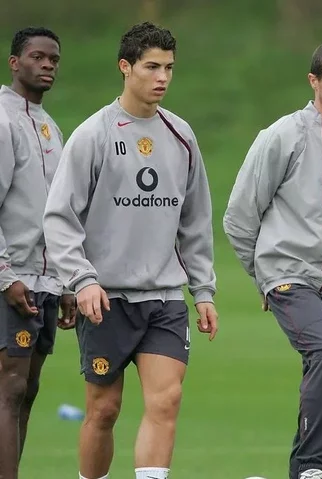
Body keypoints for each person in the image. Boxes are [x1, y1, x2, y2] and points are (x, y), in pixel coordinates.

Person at [42, 22, 218, 479]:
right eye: (152, 67)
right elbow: (60, 217)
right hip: (106, 301)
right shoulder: (93, 135)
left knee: (167, 399)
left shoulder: (182, 137)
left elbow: (195, 223)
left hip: (163, 298)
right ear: (126, 67)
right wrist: (81, 280)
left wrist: (203, 292)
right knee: (103, 410)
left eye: (169, 68)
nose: (162, 77)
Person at [223, 41, 322, 479]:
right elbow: (239, 217)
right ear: (314, 82)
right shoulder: (282, 136)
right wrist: (265, 277)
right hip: (290, 275)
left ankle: (312, 474)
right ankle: (308, 467)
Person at [0, 26, 75, 479]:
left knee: (28, 388)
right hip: (15, 278)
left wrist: (65, 283)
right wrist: (5, 276)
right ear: (15, 62)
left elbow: (57, 213)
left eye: (53, 59)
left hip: (45, 282)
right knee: (9, 387)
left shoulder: (49, 127)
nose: (46, 64)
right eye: (36, 56)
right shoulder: (3, 121)